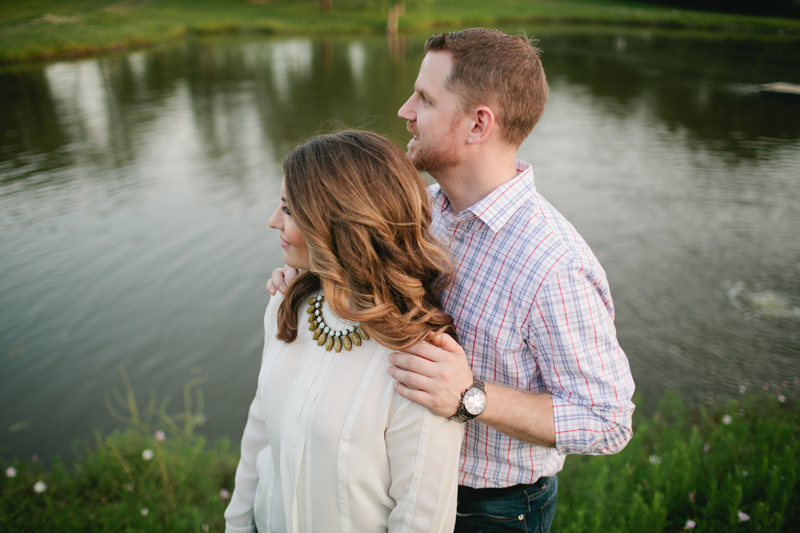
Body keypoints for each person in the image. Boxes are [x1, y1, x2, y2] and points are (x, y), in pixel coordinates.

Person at [269, 29, 636, 533]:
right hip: (392, 480)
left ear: (478, 124)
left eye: (424, 98)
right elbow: (362, 273)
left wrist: (470, 397)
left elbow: (609, 421)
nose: (404, 110)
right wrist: (307, 273)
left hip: (491, 508)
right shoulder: (421, 206)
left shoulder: (554, 265)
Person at [225, 130, 464, 533]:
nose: (272, 221)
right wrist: (236, 524)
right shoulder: (287, 306)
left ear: (337, 223)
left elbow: (420, 519)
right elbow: (259, 431)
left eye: (288, 209)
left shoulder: (421, 362)